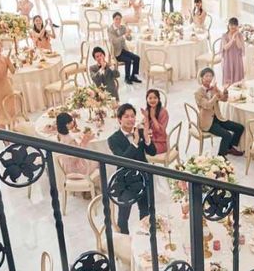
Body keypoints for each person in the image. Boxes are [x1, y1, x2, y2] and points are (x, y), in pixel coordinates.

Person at [107, 103, 156, 234]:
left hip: (143, 177)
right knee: (123, 215)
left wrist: (146, 139)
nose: (130, 119)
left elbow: (153, 152)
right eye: (126, 116)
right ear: (119, 119)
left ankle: (145, 237)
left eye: (133, 116)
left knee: (145, 211)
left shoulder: (140, 132)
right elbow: (123, 160)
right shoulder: (113, 139)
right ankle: (124, 238)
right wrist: (135, 142)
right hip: (125, 181)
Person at [194, 67, 244, 157]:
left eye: (211, 76)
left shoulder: (213, 88)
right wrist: (215, 96)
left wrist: (225, 90)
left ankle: (229, 147)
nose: (209, 78)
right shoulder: (198, 92)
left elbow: (224, 99)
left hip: (218, 118)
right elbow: (207, 105)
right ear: (201, 78)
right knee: (227, 135)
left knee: (239, 128)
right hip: (207, 122)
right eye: (206, 76)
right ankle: (221, 157)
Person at [55, 112, 98, 178]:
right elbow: (76, 157)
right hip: (75, 170)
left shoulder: (59, 135)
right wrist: (84, 141)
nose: (72, 123)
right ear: (66, 124)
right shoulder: (69, 140)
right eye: (70, 122)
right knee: (97, 161)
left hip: (65, 166)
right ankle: (95, 181)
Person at [108, 12, 141, 84]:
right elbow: (114, 41)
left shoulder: (122, 27)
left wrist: (128, 34)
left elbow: (129, 39)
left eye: (119, 19)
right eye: (116, 19)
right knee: (128, 60)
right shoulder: (110, 30)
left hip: (123, 50)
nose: (118, 21)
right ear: (113, 20)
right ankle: (127, 78)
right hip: (116, 52)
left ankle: (133, 76)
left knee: (137, 58)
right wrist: (124, 36)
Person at [141, 88, 169, 154]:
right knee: (136, 147)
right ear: (147, 99)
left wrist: (153, 117)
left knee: (140, 151)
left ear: (158, 99)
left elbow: (160, 131)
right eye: (150, 98)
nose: (152, 100)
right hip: (149, 139)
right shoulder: (147, 109)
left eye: (155, 98)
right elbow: (147, 128)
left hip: (160, 142)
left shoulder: (164, 112)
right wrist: (146, 117)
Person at [221, 17, 245, 86]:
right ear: (228, 25)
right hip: (228, 59)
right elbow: (225, 47)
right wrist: (232, 39)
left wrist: (236, 35)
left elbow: (239, 46)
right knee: (228, 75)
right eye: (231, 25)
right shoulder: (224, 36)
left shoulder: (240, 35)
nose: (233, 27)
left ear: (237, 26)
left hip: (237, 60)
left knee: (237, 76)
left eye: (235, 25)